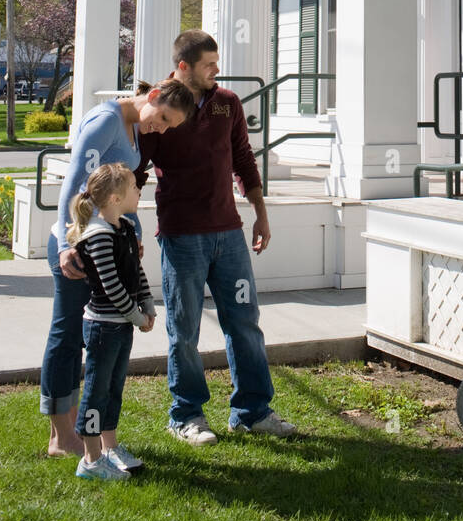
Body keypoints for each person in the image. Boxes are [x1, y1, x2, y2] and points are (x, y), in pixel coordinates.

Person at [137, 30, 296, 443]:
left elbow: (243, 158)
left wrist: (261, 214)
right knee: (184, 329)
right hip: (182, 237)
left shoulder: (227, 103)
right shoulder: (160, 107)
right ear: (184, 67)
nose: (217, 70)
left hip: (229, 234)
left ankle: (252, 411)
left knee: (245, 323)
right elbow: (135, 171)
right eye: (209, 64)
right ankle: (186, 415)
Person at [41, 77, 195, 457]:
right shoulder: (107, 121)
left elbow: (113, 192)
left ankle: (79, 431)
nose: (159, 128)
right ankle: (61, 437)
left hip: (103, 246)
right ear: (153, 96)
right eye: (161, 118)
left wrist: (130, 231)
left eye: (167, 126)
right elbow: (75, 185)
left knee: (87, 337)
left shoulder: (132, 127)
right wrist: (65, 245)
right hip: (79, 248)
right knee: (67, 335)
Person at [67, 162, 156, 481]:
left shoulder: (126, 228)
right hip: (104, 326)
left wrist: (147, 304)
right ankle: (90, 460)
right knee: (96, 390)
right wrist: (135, 315)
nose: (139, 190)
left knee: (114, 387)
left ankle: (110, 448)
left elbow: (136, 271)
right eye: (134, 186)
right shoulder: (99, 235)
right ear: (116, 198)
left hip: (122, 325)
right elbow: (110, 284)